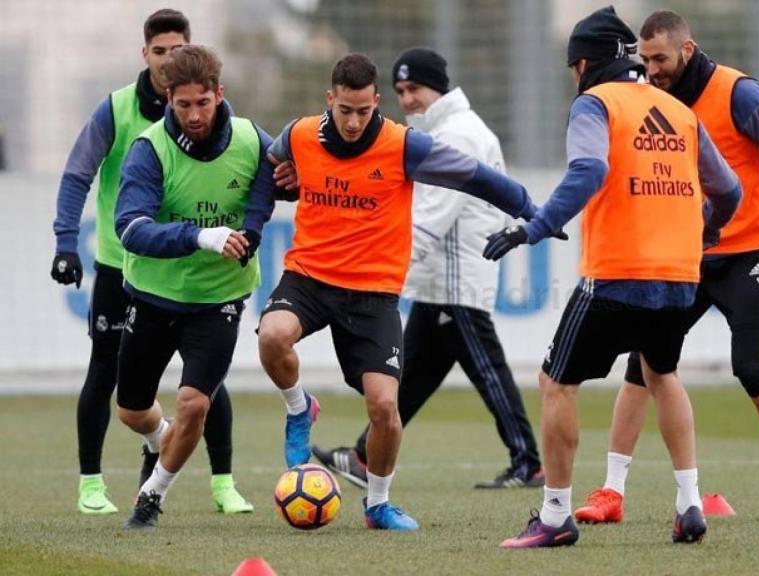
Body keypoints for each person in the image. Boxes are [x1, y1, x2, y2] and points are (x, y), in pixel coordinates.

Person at [490, 6, 741, 549]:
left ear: (583, 64)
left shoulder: (594, 104)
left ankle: (555, 517)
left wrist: (534, 227)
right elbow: (730, 191)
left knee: (557, 382)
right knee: (662, 373)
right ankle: (690, 504)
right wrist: (705, 231)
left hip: (617, 273)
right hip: (679, 277)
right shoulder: (678, 110)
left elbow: (589, 170)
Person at [258, 53, 539, 532]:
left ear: (376, 103)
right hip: (310, 276)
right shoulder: (300, 134)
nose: (352, 121)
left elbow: (475, 176)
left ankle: (378, 505)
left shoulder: (404, 146)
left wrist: (532, 209)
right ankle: (299, 409)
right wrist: (281, 188)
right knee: (271, 336)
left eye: (363, 111)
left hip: (372, 293)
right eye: (344, 110)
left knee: (386, 407)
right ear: (331, 100)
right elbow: (268, 164)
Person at [573, 9, 759, 527]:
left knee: (753, 370)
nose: (652, 69)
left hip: (750, 253)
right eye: (646, 59)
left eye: (660, 58)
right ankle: (612, 491)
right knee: (643, 367)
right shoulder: (655, 100)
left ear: (687, 50)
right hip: (687, 255)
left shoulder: (738, 93)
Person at [50, 9, 252, 516]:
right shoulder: (117, 111)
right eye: (158, 52)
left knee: (205, 386)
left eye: (174, 50)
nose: (166, 60)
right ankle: (92, 484)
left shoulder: (214, 116)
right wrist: (65, 241)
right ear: (146, 55)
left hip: (201, 277)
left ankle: (223, 483)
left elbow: (264, 172)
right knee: (107, 374)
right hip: (125, 264)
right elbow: (78, 174)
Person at [114, 45, 276, 529]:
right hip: (154, 294)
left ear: (219, 94)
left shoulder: (249, 138)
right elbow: (131, 228)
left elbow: (277, 177)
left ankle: (151, 496)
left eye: (202, 103)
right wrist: (201, 236)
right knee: (130, 410)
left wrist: (256, 221)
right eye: (183, 105)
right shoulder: (150, 150)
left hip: (219, 299)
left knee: (195, 403)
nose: (194, 114)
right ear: (167, 100)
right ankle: (158, 438)